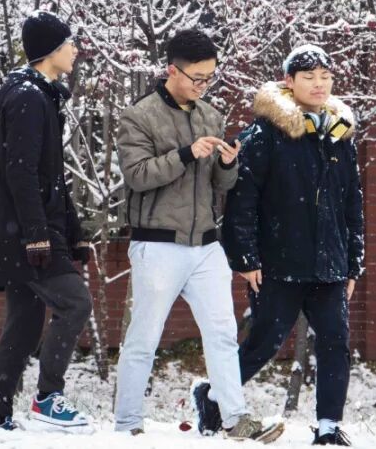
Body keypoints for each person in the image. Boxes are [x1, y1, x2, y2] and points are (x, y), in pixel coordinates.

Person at [113, 29, 282, 443]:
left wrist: (227, 163)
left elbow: (221, 186)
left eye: (210, 77)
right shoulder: (139, 115)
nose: (204, 85)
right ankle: (127, 424)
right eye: (197, 78)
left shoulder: (211, 115)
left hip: (207, 245)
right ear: (172, 70)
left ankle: (235, 418)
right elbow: (137, 176)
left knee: (223, 334)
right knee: (144, 338)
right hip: (157, 243)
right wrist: (187, 153)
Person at [216, 44, 365, 446]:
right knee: (264, 343)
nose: (319, 84)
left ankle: (328, 427)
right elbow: (243, 200)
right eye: (309, 77)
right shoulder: (265, 134)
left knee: (335, 342)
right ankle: (213, 400)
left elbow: (352, 204)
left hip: (329, 266)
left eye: (325, 77)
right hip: (278, 262)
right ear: (289, 81)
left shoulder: (339, 135)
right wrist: (246, 258)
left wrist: (353, 264)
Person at [0, 12, 94, 432]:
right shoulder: (29, 99)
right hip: (28, 233)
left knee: (25, 324)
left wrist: (74, 233)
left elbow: (51, 177)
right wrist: (36, 236)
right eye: (69, 43)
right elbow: (21, 172)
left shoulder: (41, 96)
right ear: (50, 51)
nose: (75, 50)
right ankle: (48, 397)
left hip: (28, 231)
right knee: (75, 303)